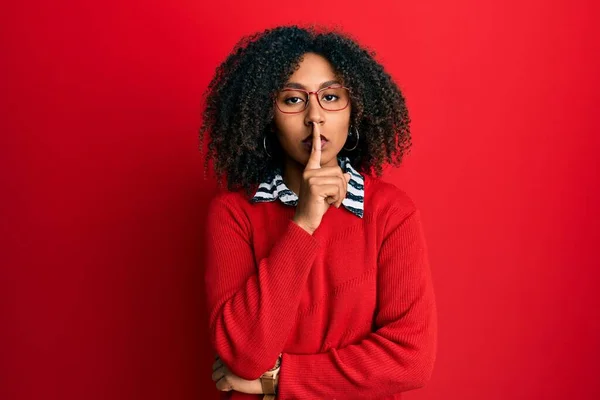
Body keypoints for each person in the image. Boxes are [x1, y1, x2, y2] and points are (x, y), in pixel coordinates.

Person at [200, 25, 437, 399]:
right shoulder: (233, 213)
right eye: (293, 100)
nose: (315, 116)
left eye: (330, 97)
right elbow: (245, 356)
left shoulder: (391, 212)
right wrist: (304, 223)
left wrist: (277, 379)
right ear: (266, 117)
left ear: (354, 111)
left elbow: (410, 360)